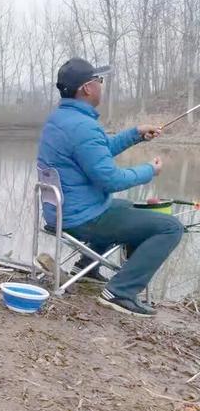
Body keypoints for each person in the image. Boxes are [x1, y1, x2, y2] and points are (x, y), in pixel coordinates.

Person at [37, 57, 184, 318]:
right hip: (81, 217)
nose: (102, 86)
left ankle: (87, 266)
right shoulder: (83, 127)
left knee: (130, 207)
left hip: (61, 210)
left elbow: (99, 152)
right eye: (99, 81)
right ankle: (121, 291)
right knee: (170, 228)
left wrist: (135, 134)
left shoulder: (62, 118)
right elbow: (110, 180)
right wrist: (149, 170)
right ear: (87, 88)